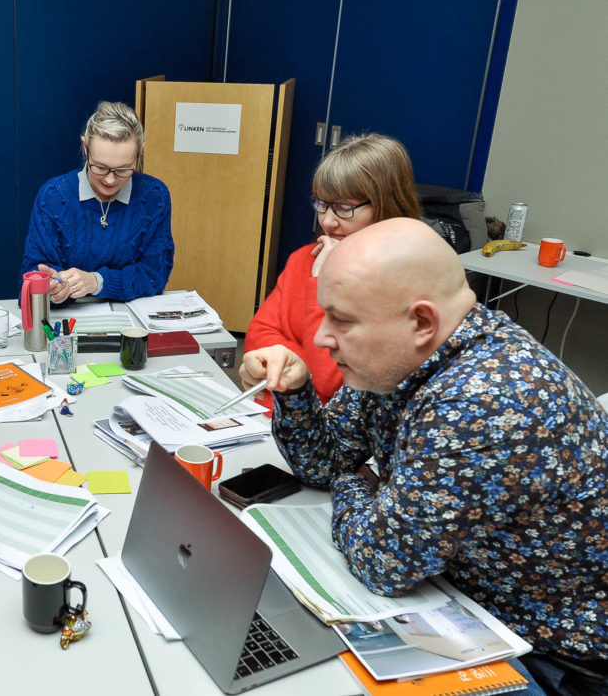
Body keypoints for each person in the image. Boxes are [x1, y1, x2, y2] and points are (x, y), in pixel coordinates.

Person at [241, 218, 608, 695]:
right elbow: (324, 464)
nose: (323, 339)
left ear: (421, 322)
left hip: (547, 651)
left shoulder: (484, 401)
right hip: (463, 590)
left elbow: (382, 561)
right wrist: (296, 393)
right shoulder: (401, 357)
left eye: (342, 320)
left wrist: (354, 482)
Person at [245, 134, 421, 410]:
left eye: (343, 208)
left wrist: (322, 283)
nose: (327, 221)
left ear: (388, 206)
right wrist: (301, 364)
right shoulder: (304, 259)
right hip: (274, 410)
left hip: (331, 425)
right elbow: (258, 335)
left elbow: (331, 382)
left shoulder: (400, 282)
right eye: (322, 204)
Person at [19, 100, 174, 303]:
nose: (110, 180)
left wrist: (97, 281)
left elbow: (154, 274)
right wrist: (53, 288)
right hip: (68, 314)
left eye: (123, 169)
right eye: (100, 167)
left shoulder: (154, 196)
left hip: (131, 313)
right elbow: (34, 271)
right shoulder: (53, 196)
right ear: (85, 148)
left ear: (140, 153)